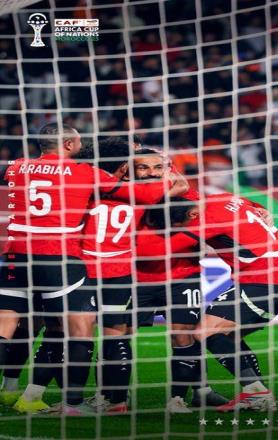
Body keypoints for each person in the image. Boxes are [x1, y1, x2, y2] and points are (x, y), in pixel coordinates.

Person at [0, 124, 168, 415]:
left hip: (16, 256)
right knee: (84, 330)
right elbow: (152, 197)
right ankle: (84, 402)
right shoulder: (89, 175)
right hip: (68, 262)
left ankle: (16, 388)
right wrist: (167, 172)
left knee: (16, 328)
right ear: (68, 144)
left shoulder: (17, 165)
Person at [146, 194, 278, 411]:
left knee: (205, 332)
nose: (182, 228)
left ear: (193, 214)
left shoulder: (208, 220)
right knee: (228, 336)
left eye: (181, 225)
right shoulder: (224, 198)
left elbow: (159, 251)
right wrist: (261, 207)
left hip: (263, 282)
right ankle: (257, 394)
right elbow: (248, 202)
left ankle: (256, 392)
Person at [132, 148, 229, 413]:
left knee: (185, 335)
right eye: (143, 167)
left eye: (158, 167)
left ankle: (186, 396)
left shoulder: (189, 196)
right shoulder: (124, 196)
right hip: (135, 278)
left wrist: (259, 209)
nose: (151, 173)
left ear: (168, 169)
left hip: (182, 276)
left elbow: (209, 216)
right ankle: (112, 396)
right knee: (117, 335)